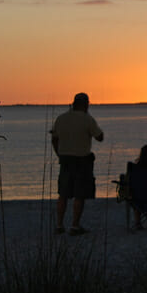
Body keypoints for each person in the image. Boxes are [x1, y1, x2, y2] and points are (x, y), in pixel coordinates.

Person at [51, 92, 104, 235]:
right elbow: (100, 137)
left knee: (63, 193)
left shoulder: (61, 118)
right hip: (82, 161)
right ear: (85, 104)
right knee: (79, 194)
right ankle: (75, 226)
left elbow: (54, 139)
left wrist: (59, 154)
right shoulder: (87, 119)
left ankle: (59, 225)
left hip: (65, 160)